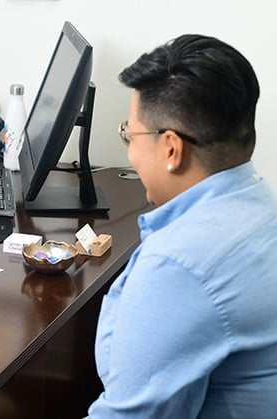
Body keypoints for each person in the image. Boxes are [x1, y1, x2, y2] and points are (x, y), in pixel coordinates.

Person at [87, 35, 277, 418]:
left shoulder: (180, 265)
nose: (129, 150)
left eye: (129, 134)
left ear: (172, 149)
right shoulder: (261, 206)